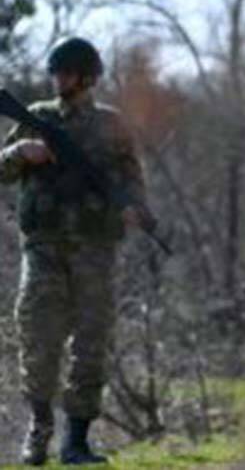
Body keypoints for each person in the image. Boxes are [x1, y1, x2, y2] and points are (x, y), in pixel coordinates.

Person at [0, 37, 146, 465]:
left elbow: (133, 178)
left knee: (91, 344)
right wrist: (19, 151)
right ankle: (39, 428)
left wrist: (135, 209)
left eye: (66, 73)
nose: (58, 79)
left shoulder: (112, 125)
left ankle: (76, 441)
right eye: (56, 72)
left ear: (87, 77)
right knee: (39, 341)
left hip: (96, 250)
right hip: (43, 249)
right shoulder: (37, 119)